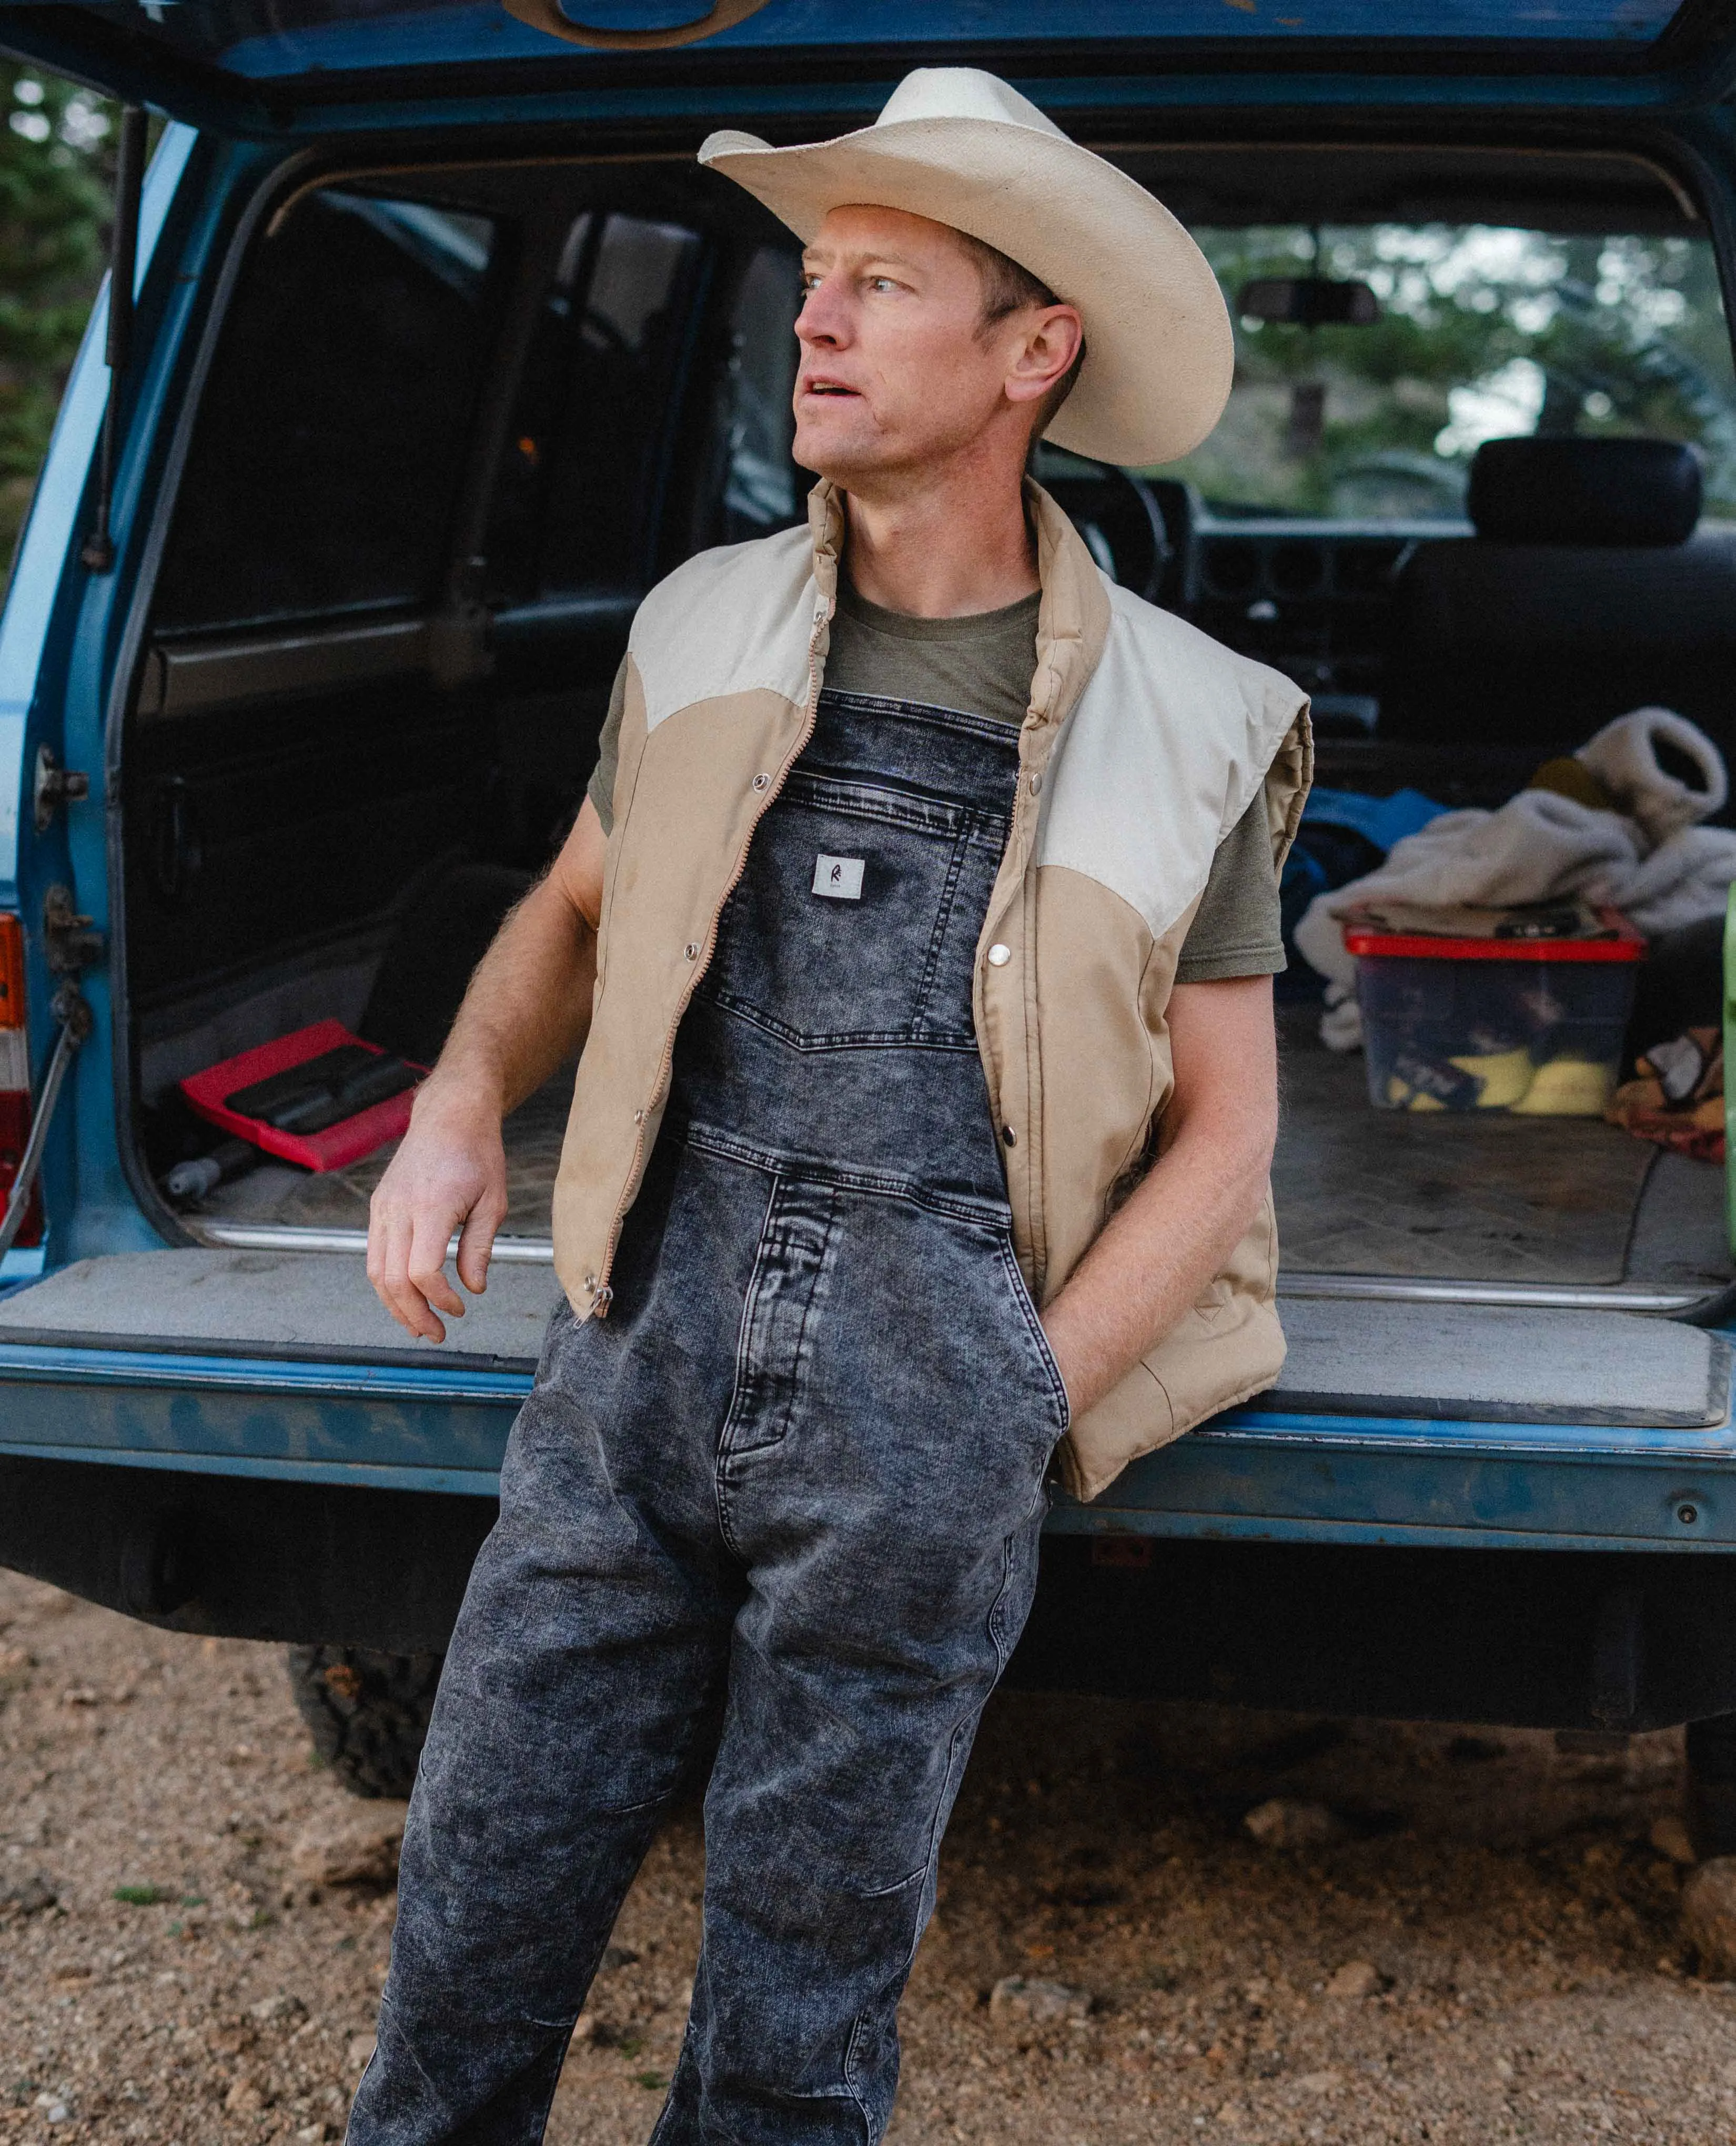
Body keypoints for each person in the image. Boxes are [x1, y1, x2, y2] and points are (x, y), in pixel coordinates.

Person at [352, 66, 1310, 2146]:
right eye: (813, 280)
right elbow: (576, 911)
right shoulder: (700, 626)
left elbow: (1229, 1131)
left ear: (1033, 350)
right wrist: (455, 1106)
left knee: (799, 2019)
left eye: (883, 283)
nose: (818, 320)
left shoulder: (1199, 726)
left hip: (935, 1396)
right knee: (467, 1944)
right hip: (630, 1356)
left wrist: (1012, 1400)